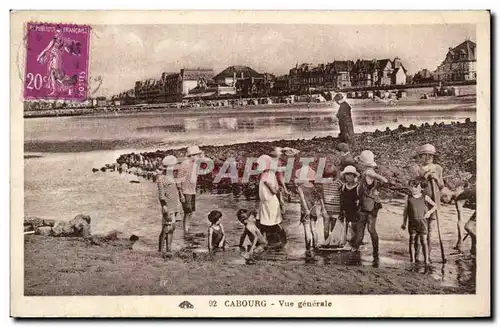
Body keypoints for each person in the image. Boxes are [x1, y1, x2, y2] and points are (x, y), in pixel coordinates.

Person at [352, 150, 388, 265]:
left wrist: (375, 189)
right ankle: (372, 253)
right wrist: (376, 189)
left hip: (369, 205)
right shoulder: (366, 173)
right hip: (368, 203)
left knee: (367, 229)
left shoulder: (369, 172)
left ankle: (361, 252)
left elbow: (384, 180)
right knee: (365, 228)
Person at [411, 144, 445, 261]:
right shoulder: (417, 168)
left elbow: (441, 186)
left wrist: (436, 178)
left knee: (430, 230)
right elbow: (414, 183)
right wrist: (426, 176)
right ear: (421, 156)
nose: (428, 157)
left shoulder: (438, 168)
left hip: (434, 203)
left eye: (431, 155)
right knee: (419, 229)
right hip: (420, 203)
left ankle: (428, 256)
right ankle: (416, 256)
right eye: (425, 155)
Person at [401, 178, 438, 265]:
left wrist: (429, 212)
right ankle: (412, 260)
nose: (413, 188)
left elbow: (435, 206)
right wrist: (404, 222)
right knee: (412, 241)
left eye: (416, 186)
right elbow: (405, 211)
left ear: (421, 188)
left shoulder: (425, 197)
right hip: (412, 223)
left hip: (422, 223)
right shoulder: (408, 197)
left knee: (424, 241)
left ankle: (426, 260)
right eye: (412, 186)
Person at [257, 155, 287, 246]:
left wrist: (276, 190)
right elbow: (276, 189)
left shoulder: (266, 174)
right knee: (273, 222)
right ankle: (280, 241)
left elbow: (273, 190)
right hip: (269, 202)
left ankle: (271, 241)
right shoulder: (271, 173)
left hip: (268, 202)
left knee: (269, 223)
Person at [156, 155, 182, 256]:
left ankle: (169, 248)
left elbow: (175, 193)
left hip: (174, 206)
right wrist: (164, 206)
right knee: (166, 228)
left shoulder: (172, 178)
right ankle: (160, 249)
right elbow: (161, 195)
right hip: (167, 206)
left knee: (172, 228)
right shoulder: (161, 179)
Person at [295, 166, 321, 261]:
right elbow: (317, 200)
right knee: (313, 229)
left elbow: (302, 199)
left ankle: (308, 248)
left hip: (305, 211)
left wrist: (306, 209)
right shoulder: (313, 187)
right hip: (313, 210)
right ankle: (316, 245)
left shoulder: (300, 187)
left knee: (307, 230)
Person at [442, 186, 477, 256]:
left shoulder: (458, 199)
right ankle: (474, 252)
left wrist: (460, 240)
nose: (445, 202)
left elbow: (460, 220)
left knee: (468, 227)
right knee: (472, 229)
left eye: (443, 199)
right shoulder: (460, 192)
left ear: (447, 196)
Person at [177, 145, 203, 239]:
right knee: (187, 211)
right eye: (197, 155)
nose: (199, 156)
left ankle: (188, 228)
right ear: (192, 155)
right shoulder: (185, 164)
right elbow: (179, 180)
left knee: (191, 211)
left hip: (192, 191)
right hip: (185, 191)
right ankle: (186, 230)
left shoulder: (195, 163)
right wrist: (181, 194)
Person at [319, 164, 343, 241]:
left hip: (336, 209)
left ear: (334, 175)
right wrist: (323, 208)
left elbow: (343, 194)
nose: (329, 178)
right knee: (325, 228)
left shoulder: (338, 183)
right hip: (326, 209)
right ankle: (326, 242)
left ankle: (333, 243)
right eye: (326, 176)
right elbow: (321, 196)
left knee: (334, 228)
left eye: (330, 176)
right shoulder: (323, 183)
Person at [339, 165, 360, 249]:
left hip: (355, 211)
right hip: (345, 211)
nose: (348, 177)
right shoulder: (344, 186)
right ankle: (346, 244)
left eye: (350, 175)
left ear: (354, 176)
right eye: (347, 175)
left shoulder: (358, 187)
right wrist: (341, 210)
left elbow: (360, 200)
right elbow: (342, 199)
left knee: (354, 229)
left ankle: (355, 246)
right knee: (346, 229)